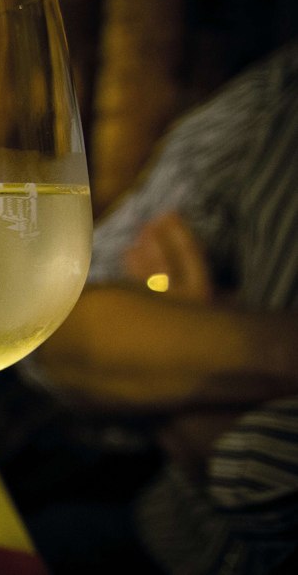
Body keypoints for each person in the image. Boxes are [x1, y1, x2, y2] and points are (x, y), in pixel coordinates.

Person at [23, 40, 298, 573]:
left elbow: (260, 476)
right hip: (155, 535)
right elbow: (56, 325)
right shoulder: (277, 96)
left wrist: (185, 345)